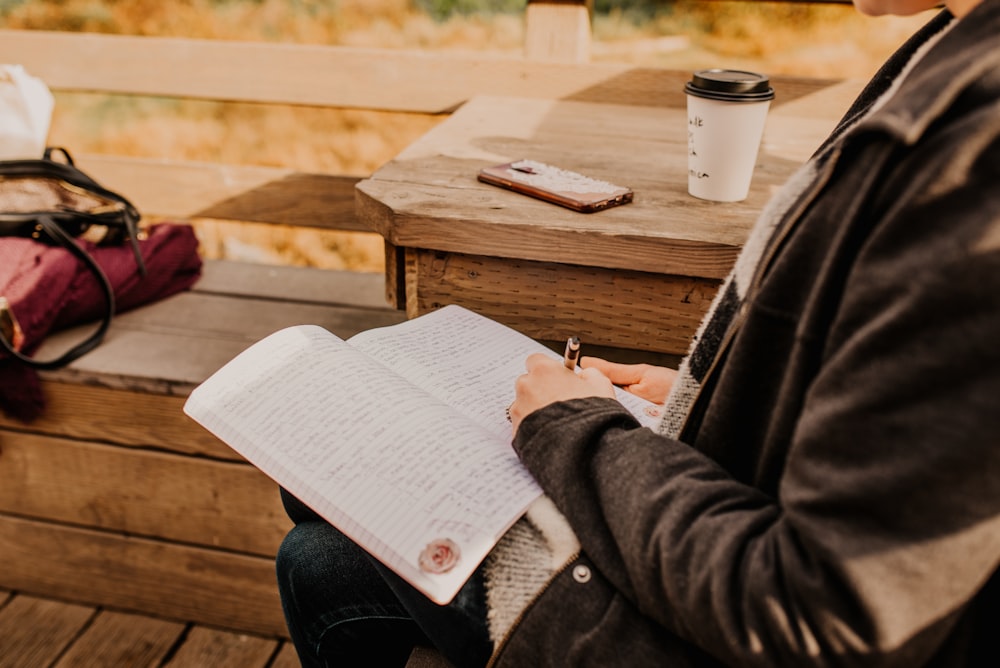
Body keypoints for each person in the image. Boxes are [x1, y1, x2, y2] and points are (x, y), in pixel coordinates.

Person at [275, 0, 1000, 664]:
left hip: (703, 627)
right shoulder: (950, 48)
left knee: (321, 549)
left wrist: (578, 429)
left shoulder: (976, 167)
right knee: (315, 507)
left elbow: (825, 619)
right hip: (719, 528)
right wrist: (699, 401)